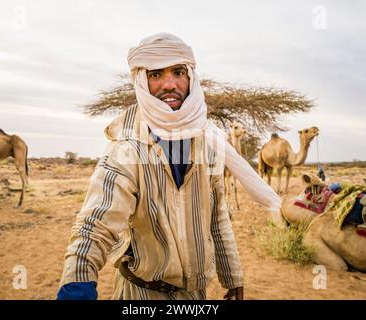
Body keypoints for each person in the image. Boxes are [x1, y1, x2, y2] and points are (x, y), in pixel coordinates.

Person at [57, 33, 282, 300]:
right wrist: (77, 285)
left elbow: (217, 219)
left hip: (195, 295)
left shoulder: (208, 143)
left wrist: (232, 277)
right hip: (141, 293)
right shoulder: (128, 147)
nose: (169, 84)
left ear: (190, 78)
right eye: (156, 74)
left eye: (178, 72)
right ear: (142, 81)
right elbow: (94, 226)